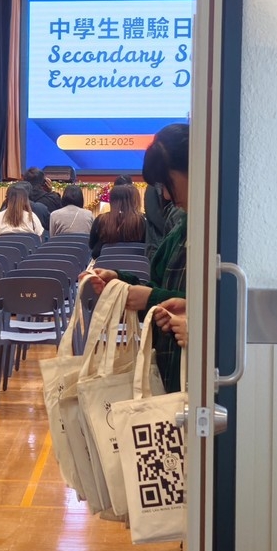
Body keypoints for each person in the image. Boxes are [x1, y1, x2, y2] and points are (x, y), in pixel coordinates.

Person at [83, 122, 189, 394]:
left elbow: (214, 309)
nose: (166, 195)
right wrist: (121, 283)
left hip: (190, 375)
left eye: (168, 183)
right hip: (170, 369)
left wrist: (150, 298)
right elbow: (169, 293)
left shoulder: (217, 234)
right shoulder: (182, 229)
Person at [88, 184, 146, 258]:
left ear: (112, 200)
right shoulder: (141, 220)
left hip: (105, 263)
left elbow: (91, 245)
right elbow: (147, 245)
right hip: (136, 263)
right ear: (132, 200)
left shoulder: (101, 219)